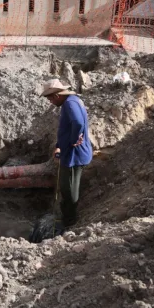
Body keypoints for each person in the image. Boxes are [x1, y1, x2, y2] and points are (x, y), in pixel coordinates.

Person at [41, 79, 93, 229]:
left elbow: (78, 123)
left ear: (57, 95)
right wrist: (59, 146)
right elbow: (68, 127)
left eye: (50, 98)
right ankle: (67, 215)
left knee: (69, 189)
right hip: (70, 153)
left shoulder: (70, 103)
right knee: (67, 186)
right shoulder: (72, 101)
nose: (50, 102)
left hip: (74, 156)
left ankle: (69, 221)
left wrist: (73, 141)